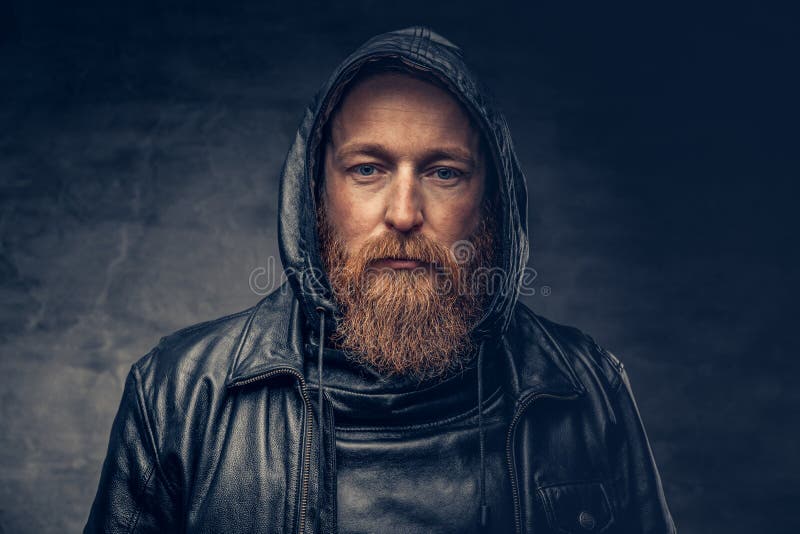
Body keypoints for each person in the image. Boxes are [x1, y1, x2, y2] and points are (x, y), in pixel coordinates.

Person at [85, 27, 676, 533]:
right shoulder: (179, 395)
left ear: (492, 202)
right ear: (315, 194)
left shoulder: (587, 389)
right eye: (367, 169)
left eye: (444, 173)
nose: (403, 213)